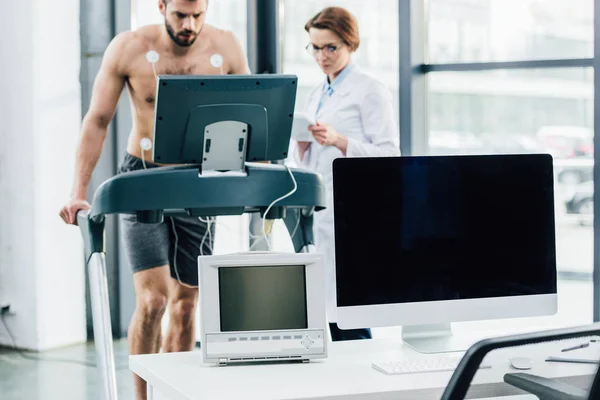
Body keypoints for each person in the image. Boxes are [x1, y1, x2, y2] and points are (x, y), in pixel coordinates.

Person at [58, 0, 249, 398]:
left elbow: (249, 113)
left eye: (198, 15)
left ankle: (170, 393)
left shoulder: (227, 46)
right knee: (154, 300)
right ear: (161, 6)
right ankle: (140, 397)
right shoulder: (128, 47)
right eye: (180, 14)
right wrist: (78, 191)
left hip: (199, 180)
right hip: (143, 177)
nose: (190, 25)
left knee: (185, 305)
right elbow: (97, 119)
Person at [291, 7, 400, 341]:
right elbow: (312, 165)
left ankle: (363, 387)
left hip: (353, 214)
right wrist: (304, 144)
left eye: (330, 48)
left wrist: (340, 141)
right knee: (327, 308)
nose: (321, 57)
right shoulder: (316, 94)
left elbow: (389, 155)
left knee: (348, 309)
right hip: (320, 212)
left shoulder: (370, 90)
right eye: (315, 48)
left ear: (351, 45)